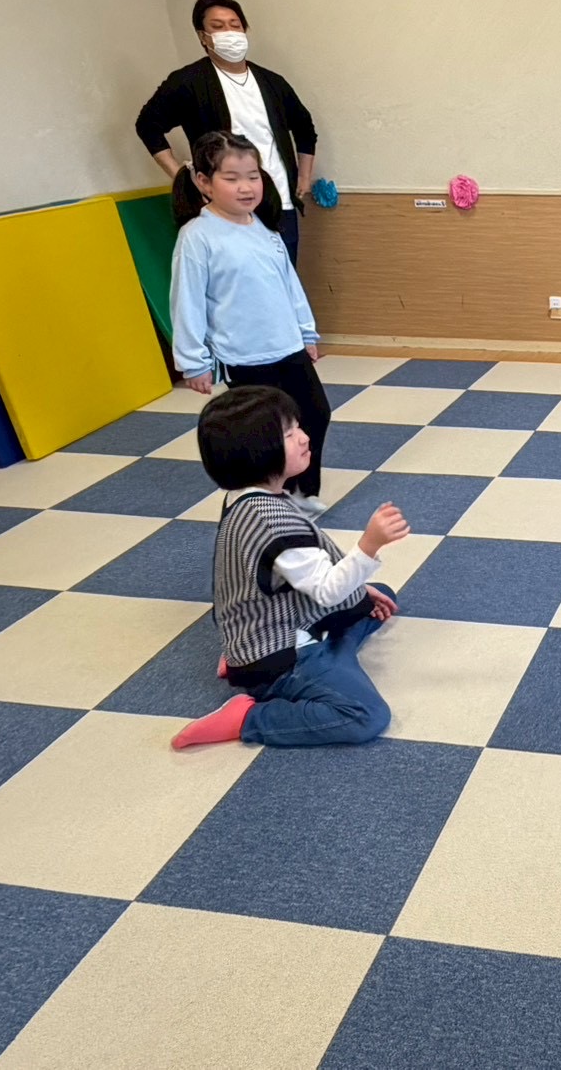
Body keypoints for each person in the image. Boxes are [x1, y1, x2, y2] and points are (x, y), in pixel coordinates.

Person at [172, 386, 409, 750]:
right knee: (366, 715)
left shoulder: (248, 498)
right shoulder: (272, 521)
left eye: (297, 427)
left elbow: (299, 575)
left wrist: (359, 593)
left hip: (272, 623)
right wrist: (369, 545)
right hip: (278, 655)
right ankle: (248, 717)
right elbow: (327, 591)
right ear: (256, 452)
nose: (304, 437)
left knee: (376, 598)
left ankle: (319, 657)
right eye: (288, 433)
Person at [171, 129, 331, 515]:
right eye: (232, 178)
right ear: (204, 182)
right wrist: (193, 361)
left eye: (253, 176)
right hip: (244, 356)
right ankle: (270, 498)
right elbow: (186, 301)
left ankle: (300, 490)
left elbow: (289, 285)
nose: (246, 187)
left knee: (314, 415)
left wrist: (306, 331)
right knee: (266, 433)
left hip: (287, 347)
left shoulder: (262, 227)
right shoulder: (197, 237)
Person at [136, 0, 316, 265]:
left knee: (283, 278)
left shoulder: (272, 82)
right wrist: (181, 177)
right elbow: (147, 125)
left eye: (235, 25)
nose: (229, 32)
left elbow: (305, 128)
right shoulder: (188, 82)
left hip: (278, 202)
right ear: (203, 36)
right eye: (218, 26)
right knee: (236, 281)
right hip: (223, 208)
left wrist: (303, 177)